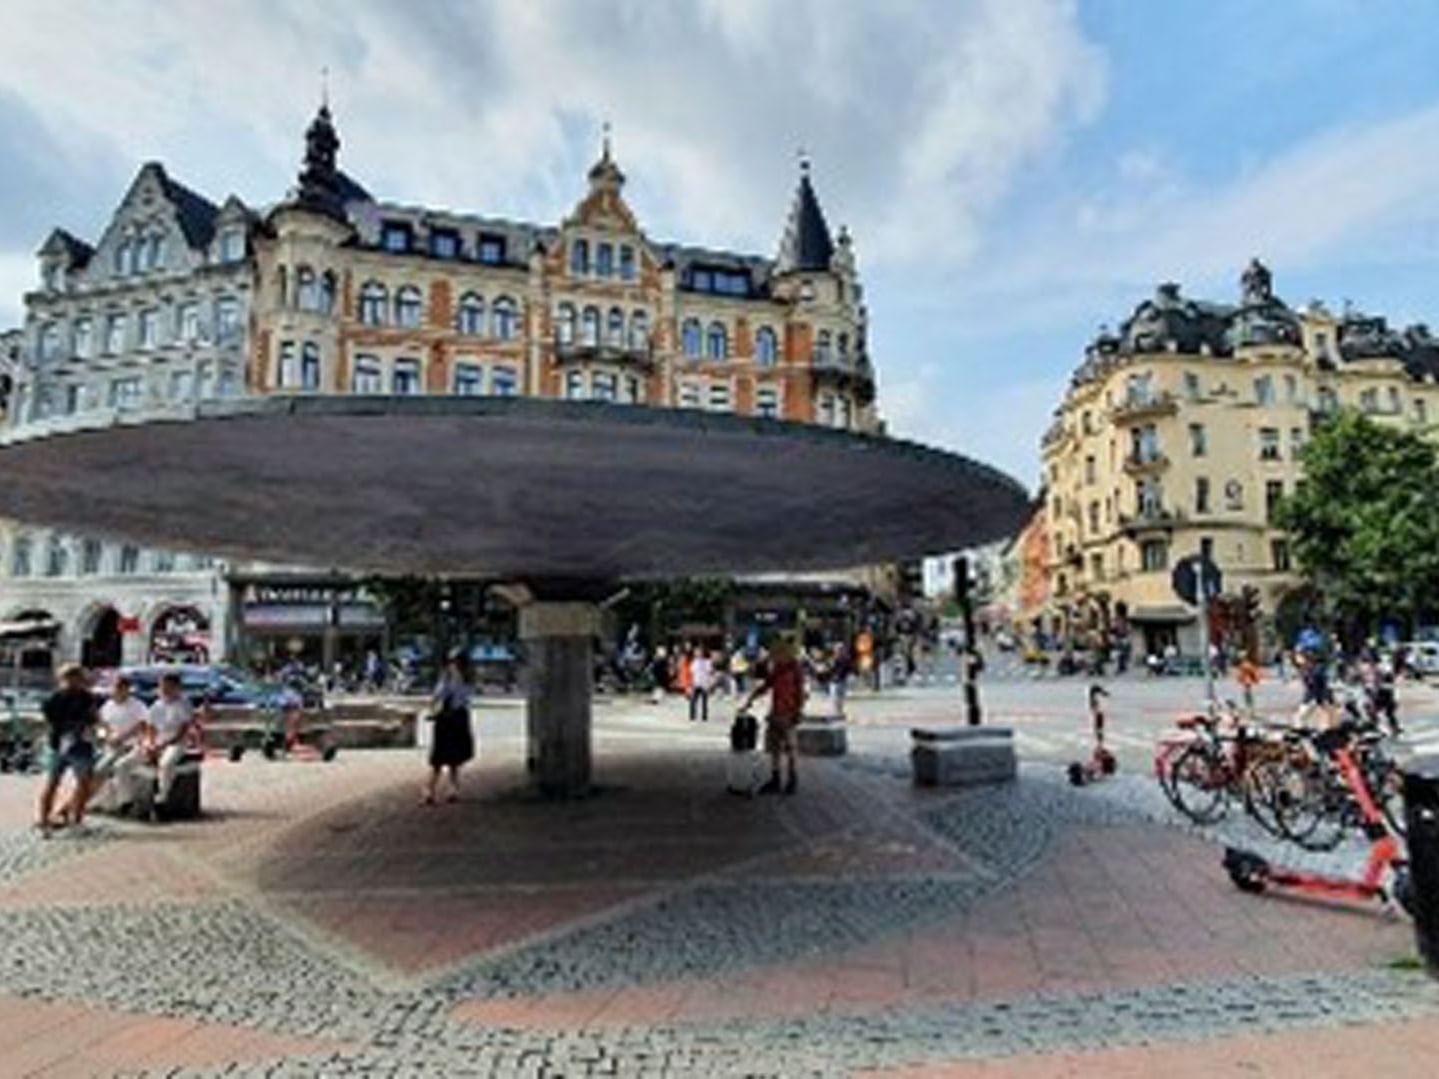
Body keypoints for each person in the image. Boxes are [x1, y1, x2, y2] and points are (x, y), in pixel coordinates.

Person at [741, 636, 806, 795]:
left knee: (791, 748)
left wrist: (797, 712)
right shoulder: (777, 668)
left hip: (788, 712)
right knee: (774, 747)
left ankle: (792, 780)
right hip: (776, 712)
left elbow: (800, 693)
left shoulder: (795, 668)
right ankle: (775, 779)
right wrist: (750, 699)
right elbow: (766, 684)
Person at [37, 664, 98, 834]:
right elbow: (90, 719)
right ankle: (55, 820)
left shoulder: (80, 697)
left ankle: (53, 819)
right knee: (68, 783)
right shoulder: (60, 698)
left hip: (68, 744)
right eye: (75, 678)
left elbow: (91, 718)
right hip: (70, 744)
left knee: (67, 783)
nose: (77, 682)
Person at [87, 674, 148, 813]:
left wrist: (124, 737)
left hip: (134, 745)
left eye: (121, 688)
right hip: (113, 745)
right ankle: (92, 800)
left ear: (127, 689)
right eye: (115, 688)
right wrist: (108, 736)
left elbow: (142, 725)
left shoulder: (138, 706)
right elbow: (103, 724)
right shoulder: (108, 706)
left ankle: (125, 802)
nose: (117, 691)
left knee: (121, 766)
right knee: (99, 769)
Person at [423, 655, 474, 805]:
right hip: (459, 718)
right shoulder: (466, 679)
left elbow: (438, 696)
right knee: (453, 759)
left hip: (446, 720)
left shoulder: (447, 678)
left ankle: (430, 791)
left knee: (438, 759)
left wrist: (432, 710)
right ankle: (452, 790)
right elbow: (465, 700)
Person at [147, 673, 195, 815]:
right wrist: (151, 744)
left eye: (167, 686)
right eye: (162, 686)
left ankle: (161, 798)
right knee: (127, 762)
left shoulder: (184, 704)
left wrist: (163, 745)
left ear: (176, 687)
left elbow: (183, 730)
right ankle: (126, 800)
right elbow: (150, 727)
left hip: (177, 743)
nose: (164, 689)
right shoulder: (156, 705)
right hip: (158, 740)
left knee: (166, 764)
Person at [828, 641, 852, 719]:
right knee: (834, 697)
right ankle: (835, 712)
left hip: (842, 681)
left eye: (841, 649)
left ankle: (839, 712)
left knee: (840, 697)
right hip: (834, 681)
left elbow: (848, 669)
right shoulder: (833, 659)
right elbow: (830, 670)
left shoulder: (846, 659)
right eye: (837, 649)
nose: (839, 651)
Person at [689, 647, 713, 722]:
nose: (698, 654)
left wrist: (709, 683)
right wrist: (691, 683)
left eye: (699, 652)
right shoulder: (694, 662)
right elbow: (692, 673)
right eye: (696, 652)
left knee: (704, 702)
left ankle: (704, 716)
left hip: (704, 683)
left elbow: (710, 673)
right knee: (693, 700)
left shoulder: (707, 662)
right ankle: (692, 716)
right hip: (696, 683)